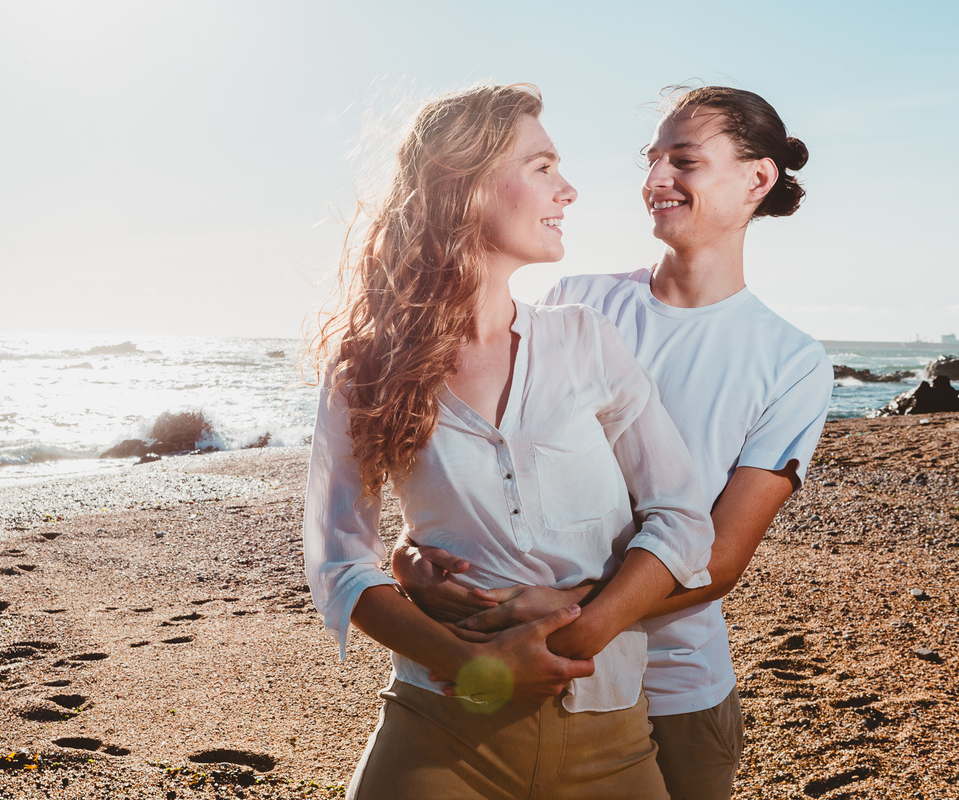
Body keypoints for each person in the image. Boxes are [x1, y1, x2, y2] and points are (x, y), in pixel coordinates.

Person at [393, 85, 834, 800]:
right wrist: (414, 549)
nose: (655, 179)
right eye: (651, 159)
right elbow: (486, 462)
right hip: (525, 672)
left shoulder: (791, 362)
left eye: (684, 161)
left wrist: (560, 612)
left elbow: (721, 557)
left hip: (672, 689)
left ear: (758, 179)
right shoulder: (574, 304)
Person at [303, 82, 716, 800]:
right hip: (440, 734)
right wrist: (470, 664)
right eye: (542, 166)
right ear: (464, 186)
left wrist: (577, 630)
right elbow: (339, 562)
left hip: (611, 738)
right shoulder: (366, 366)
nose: (569, 190)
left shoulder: (584, 339)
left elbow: (681, 517)